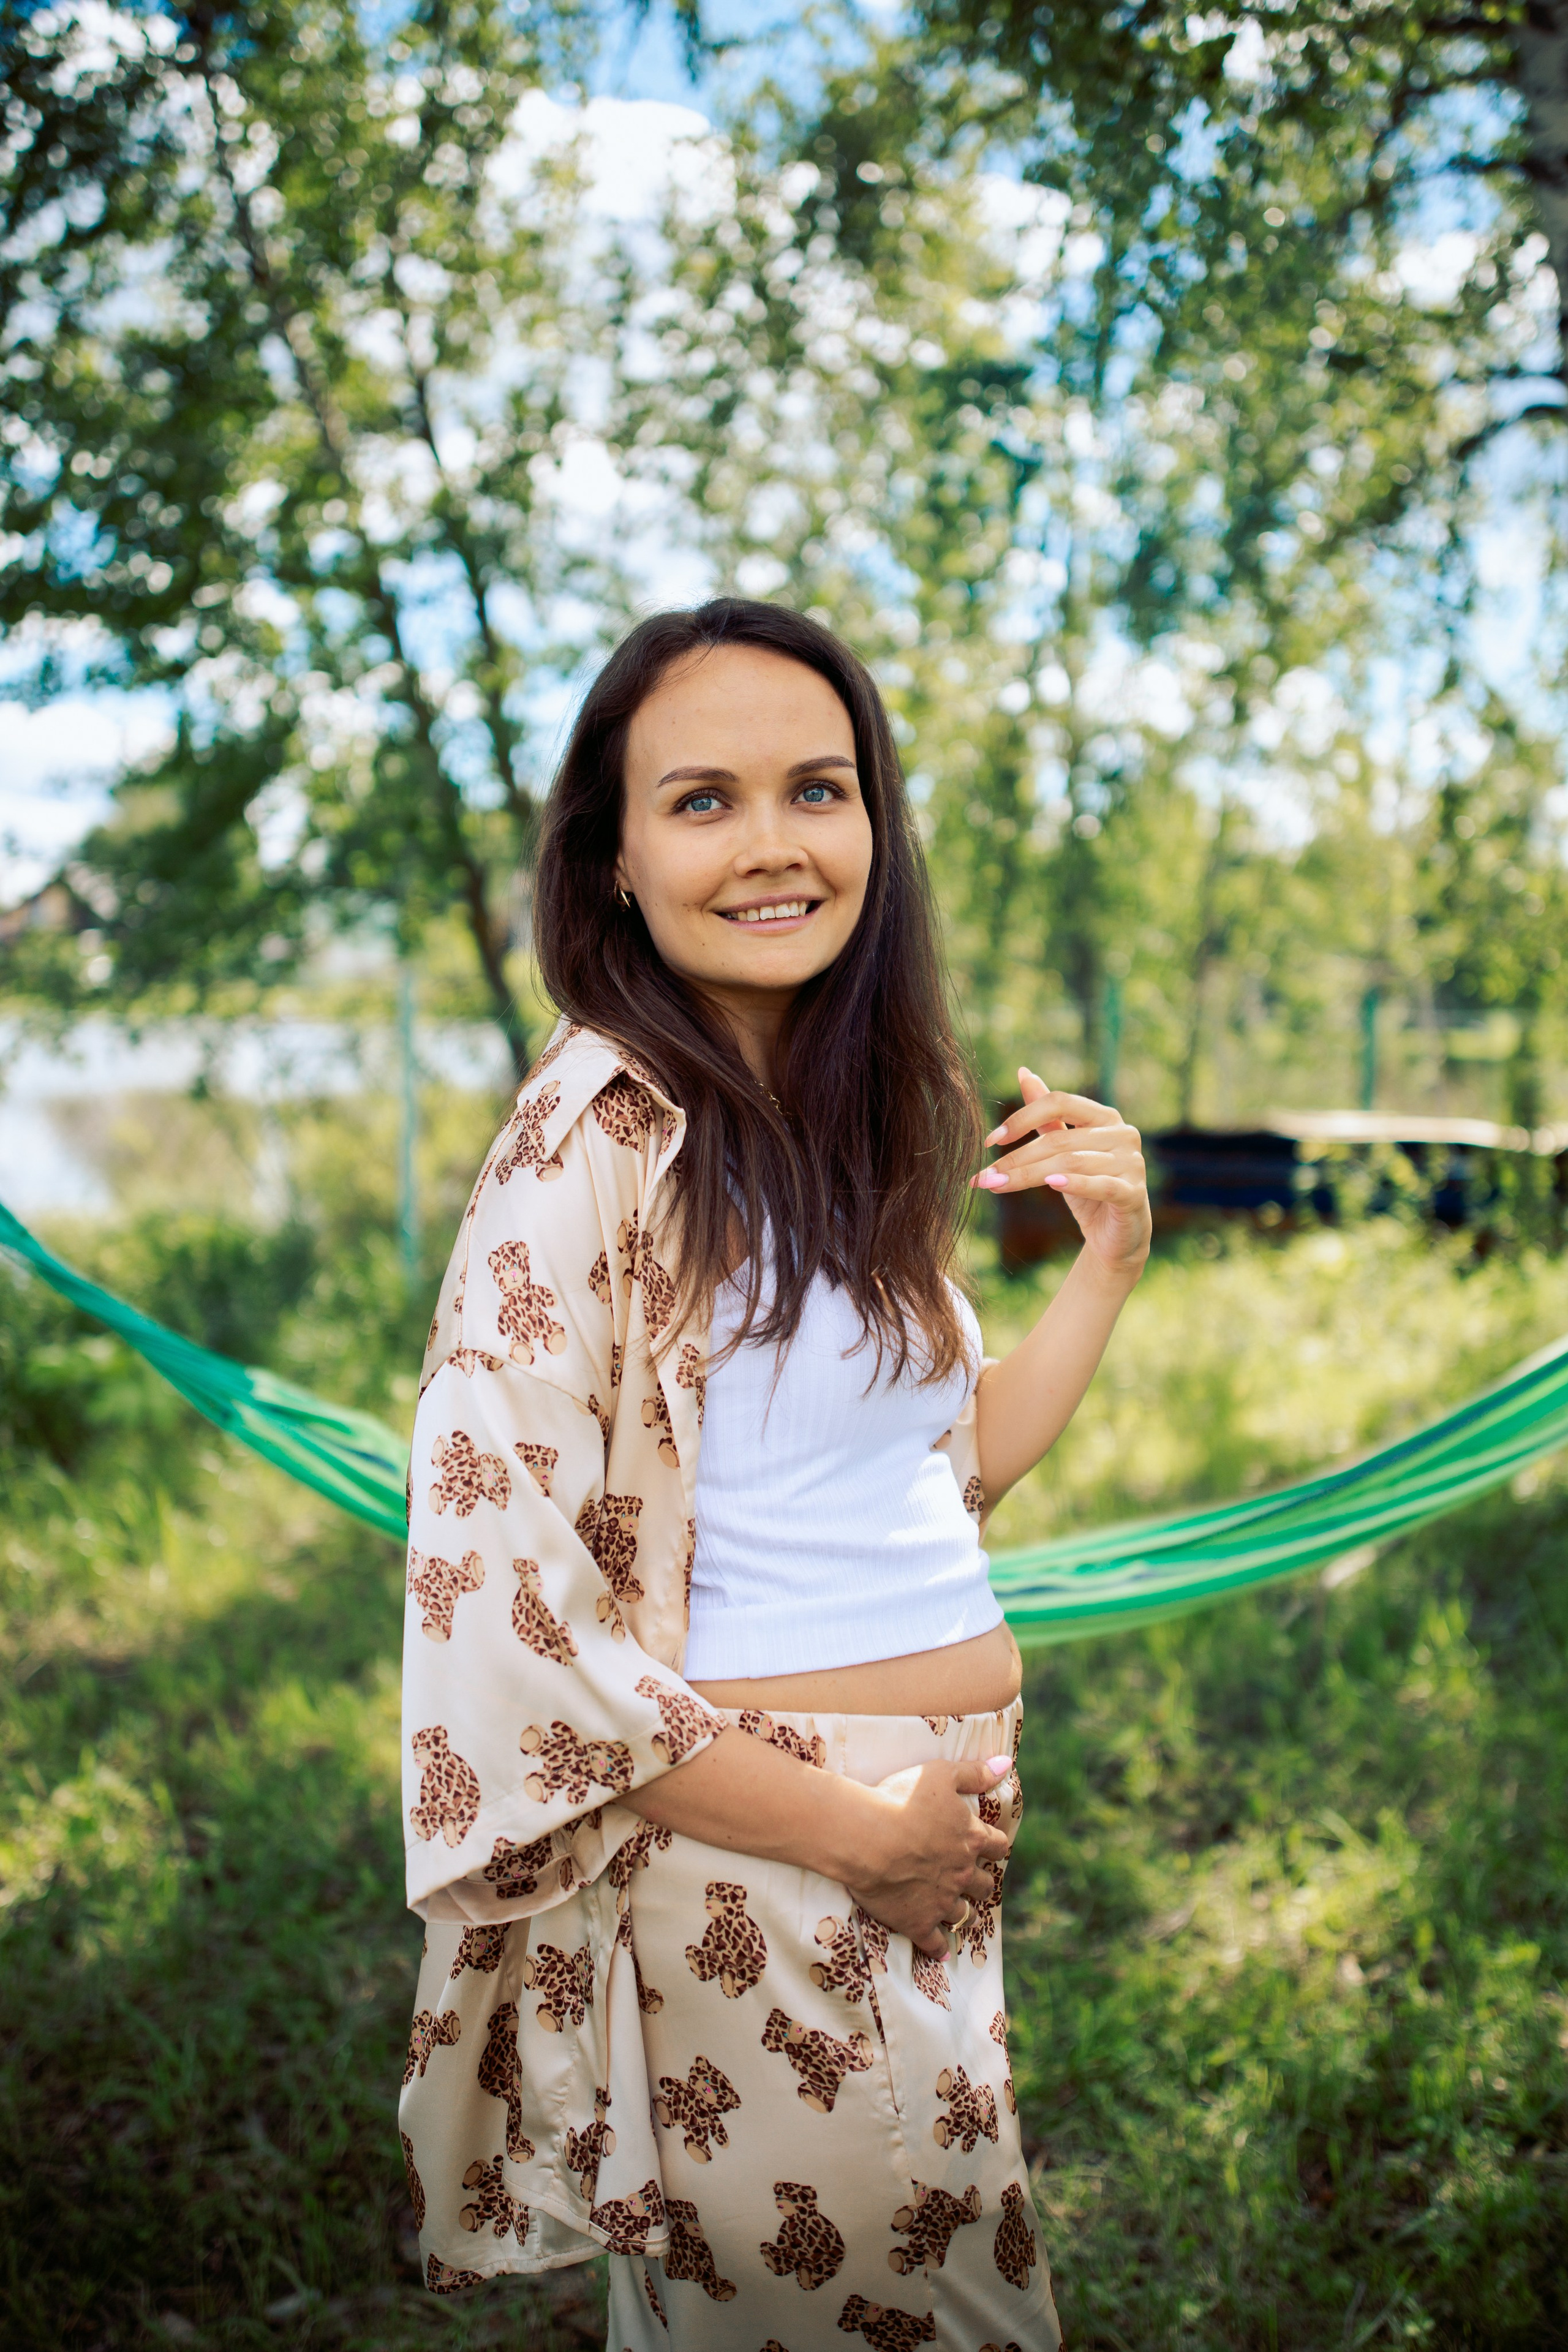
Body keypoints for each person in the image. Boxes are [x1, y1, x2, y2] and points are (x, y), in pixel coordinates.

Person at [398, 599, 1151, 2349]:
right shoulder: (603, 1130)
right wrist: (856, 1833)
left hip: (908, 1851)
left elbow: (934, 1480)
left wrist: (1103, 1264)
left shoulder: (824, 1121)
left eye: (817, 789)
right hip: (770, 1855)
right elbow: (506, 1601)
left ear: (875, 828)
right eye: (703, 799)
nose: (773, 844)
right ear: (610, 865)